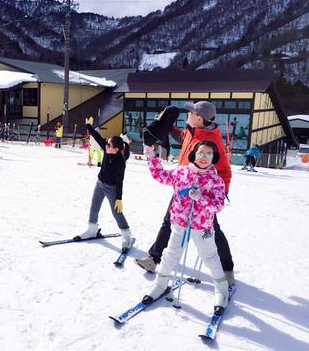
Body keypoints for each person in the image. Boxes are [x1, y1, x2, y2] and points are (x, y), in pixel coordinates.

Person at [135, 101, 235, 286]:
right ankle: (154, 258)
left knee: (214, 230)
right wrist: (164, 126)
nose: (187, 115)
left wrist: (216, 196)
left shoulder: (211, 143)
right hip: (182, 184)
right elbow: (182, 137)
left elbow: (225, 171)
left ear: (199, 118)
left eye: (190, 113)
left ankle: (227, 269)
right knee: (168, 221)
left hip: (202, 195)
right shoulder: (192, 130)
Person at [142, 141, 229, 311]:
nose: (204, 157)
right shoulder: (181, 172)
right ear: (194, 154)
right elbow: (161, 176)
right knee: (171, 253)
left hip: (202, 226)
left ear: (214, 157)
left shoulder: (215, 180)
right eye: (201, 153)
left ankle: (221, 289)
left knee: (210, 257)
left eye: (209, 154)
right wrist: (152, 157)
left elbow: (218, 205)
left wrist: (201, 198)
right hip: (180, 222)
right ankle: (161, 283)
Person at [75, 117, 132, 251]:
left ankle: (126, 235)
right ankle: (92, 229)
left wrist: (119, 198)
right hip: (100, 183)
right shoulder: (106, 149)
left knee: (116, 212)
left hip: (112, 188)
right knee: (94, 207)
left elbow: (120, 181)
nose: (106, 145)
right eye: (106, 143)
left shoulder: (120, 162)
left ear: (116, 149)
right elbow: (98, 136)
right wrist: (89, 127)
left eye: (109, 145)